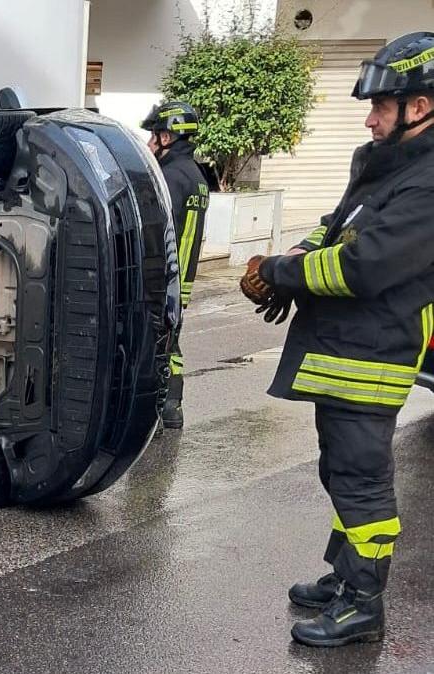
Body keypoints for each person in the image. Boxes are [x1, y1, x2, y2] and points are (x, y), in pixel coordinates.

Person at [240, 31, 434, 647]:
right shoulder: (385, 164)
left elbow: (363, 265)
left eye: (381, 107)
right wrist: (302, 251)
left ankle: (363, 605)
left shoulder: (429, 182)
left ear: (421, 107)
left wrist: (280, 272)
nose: (370, 119)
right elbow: (341, 228)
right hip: (347, 347)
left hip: (376, 352)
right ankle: (344, 576)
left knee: (361, 476)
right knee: (340, 470)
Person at [141, 101, 212, 428]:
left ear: (167, 138)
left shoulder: (167, 177)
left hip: (163, 278)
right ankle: (172, 407)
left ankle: (156, 410)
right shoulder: (196, 176)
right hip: (184, 279)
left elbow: (155, 230)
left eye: (154, 137)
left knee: (154, 345)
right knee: (172, 342)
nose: (149, 144)